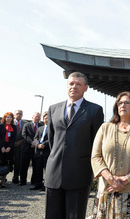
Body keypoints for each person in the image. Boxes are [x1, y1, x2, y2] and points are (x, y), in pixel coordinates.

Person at [45, 72, 104, 218]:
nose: (74, 87)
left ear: (86, 88)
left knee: (75, 215)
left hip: (79, 173)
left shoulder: (94, 110)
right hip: (54, 173)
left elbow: (96, 143)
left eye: (78, 84)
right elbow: (52, 140)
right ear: (67, 87)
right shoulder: (53, 109)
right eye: (71, 83)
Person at [91, 91, 130, 218]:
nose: (122, 105)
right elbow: (95, 156)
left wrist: (127, 178)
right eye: (120, 103)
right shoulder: (105, 128)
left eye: (127, 103)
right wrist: (111, 179)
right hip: (107, 190)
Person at [20, 112, 42, 186]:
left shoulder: (41, 126)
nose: (37, 118)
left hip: (36, 149)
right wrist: (31, 142)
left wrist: (35, 143)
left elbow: (41, 137)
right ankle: (22, 181)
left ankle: (34, 181)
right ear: (32, 117)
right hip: (26, 148)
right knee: (24, 165)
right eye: (36, 116)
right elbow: (24, 134)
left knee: (35, 166)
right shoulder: (27, 125)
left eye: (39, 117)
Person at [31, 112, 50, 191]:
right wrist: (38, 144)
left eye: (49, 118)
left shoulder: (53, 128)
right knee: (38, 169)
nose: (47, 120)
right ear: (43, 119)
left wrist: (44, 144)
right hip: (38, 152)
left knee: (47, 170)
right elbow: (35, 138)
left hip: (47, 151)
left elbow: (52, 139)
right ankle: (37, 184)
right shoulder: (40, 128)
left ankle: (45, 186)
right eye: (45, 118)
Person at [0, 112, 17, 188]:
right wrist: (2, 147)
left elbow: (14, 139)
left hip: (9, 149)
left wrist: (9, 147)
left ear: (12, 118)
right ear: (4, 118)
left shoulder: (14, 127)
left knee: (6, 164)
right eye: (7, 117)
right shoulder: (1, 126)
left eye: (10, 117)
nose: (8, 118)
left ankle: (3, 181)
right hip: (1, 148)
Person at [13, 110, 26, 184]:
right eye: (17, 114)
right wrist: (13, 143)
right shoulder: (10, 122)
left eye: (20, 114)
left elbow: (27, 135)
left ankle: (16, 178)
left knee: (18, 163)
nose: (19, 115)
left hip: (21, 146)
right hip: (11, 146)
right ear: (14, 115)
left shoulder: (26, 124)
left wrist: (21, 142)